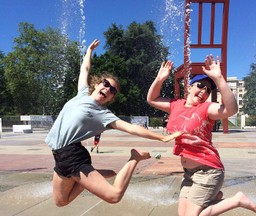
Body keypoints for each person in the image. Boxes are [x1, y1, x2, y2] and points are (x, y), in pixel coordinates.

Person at [45, 39, 181, 207]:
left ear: (111, 98)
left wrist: (161, 138)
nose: (108, 89)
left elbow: (131, 128)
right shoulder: (81, 94)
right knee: (61, 201)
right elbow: (85, 69)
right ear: (97, 84)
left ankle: (134, 158)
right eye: (106, 84)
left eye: (112, 90)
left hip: (73, 156)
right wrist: (89, 51)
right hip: (59, 155)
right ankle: (85, 180)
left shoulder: (103, 114)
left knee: (114, 196)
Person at [147, 56, 256, 216]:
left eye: (208, 90)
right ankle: (213, 198)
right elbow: (151, 99)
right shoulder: (175, 105)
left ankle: (237, 200)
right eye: (200, 86)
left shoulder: (207, 108)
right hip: (188, 173)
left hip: (208, 170)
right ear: (189, 87)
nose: (204, 91)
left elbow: (232, 110)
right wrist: (159, 79)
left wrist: (219, 78)